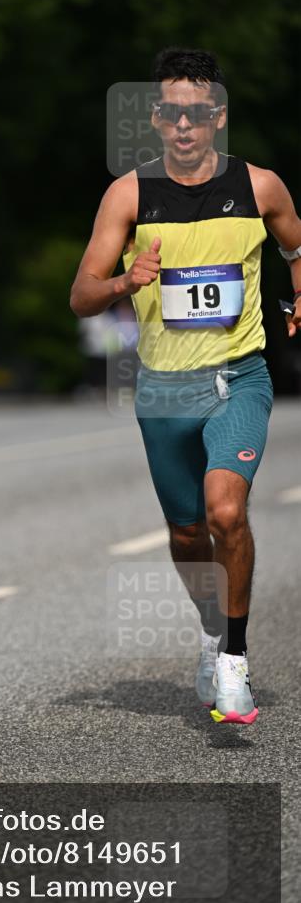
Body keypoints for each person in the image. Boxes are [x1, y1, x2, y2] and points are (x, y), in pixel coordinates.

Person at [70, 47, 301, 725]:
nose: (183, 125)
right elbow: (81, 294)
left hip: (237, 376)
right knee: (185, 532)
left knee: (225, 511)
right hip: (163, 389)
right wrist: (123, 281)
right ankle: (210, 630)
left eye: (197, 114)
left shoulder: (260, 187)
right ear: (155, 117)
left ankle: (233, 661)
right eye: (170, 112)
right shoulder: (128, 195)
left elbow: (293, 242)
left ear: (218, 118)